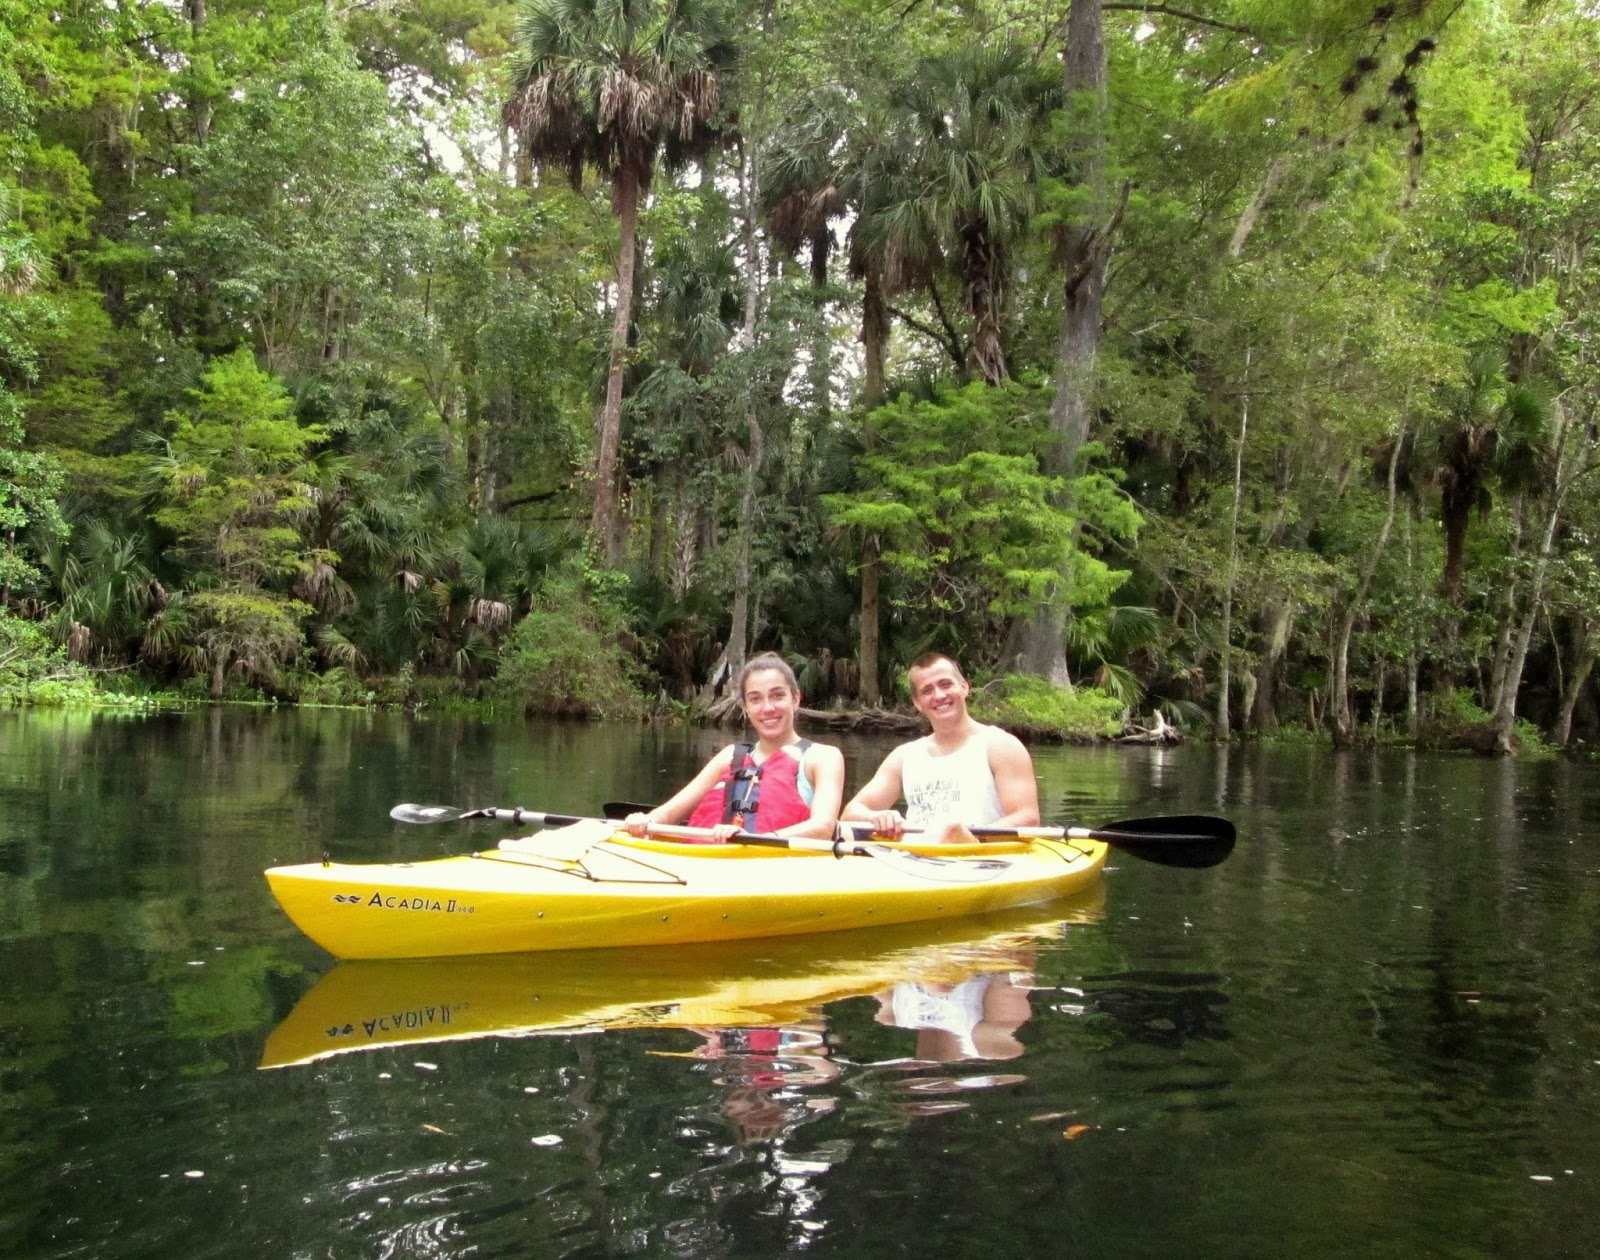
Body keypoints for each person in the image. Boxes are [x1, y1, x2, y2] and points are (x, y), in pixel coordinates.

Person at [624, 653, 845, 842]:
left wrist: (755, 840)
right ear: (745, 707)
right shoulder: (730, 756)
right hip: (703, 860)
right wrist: (647, 820)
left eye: (777, 696)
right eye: (755, 699)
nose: (768, 708)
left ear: (795, 699)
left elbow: (823, 827)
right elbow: (669, 813)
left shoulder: (823, 757)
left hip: (772, 862)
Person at [841, 652, 1039, 844]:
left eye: (946, 685)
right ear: (917, 703)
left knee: (950, 829)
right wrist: (875, 817)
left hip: (976, 855)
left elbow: (1027, 818)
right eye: (927, 691)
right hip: (913, 856)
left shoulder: (1000, 746)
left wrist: (964, 836)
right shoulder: (905, 756)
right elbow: (850, 814)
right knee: (845, 834)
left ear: (964, 687)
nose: (939, 695)